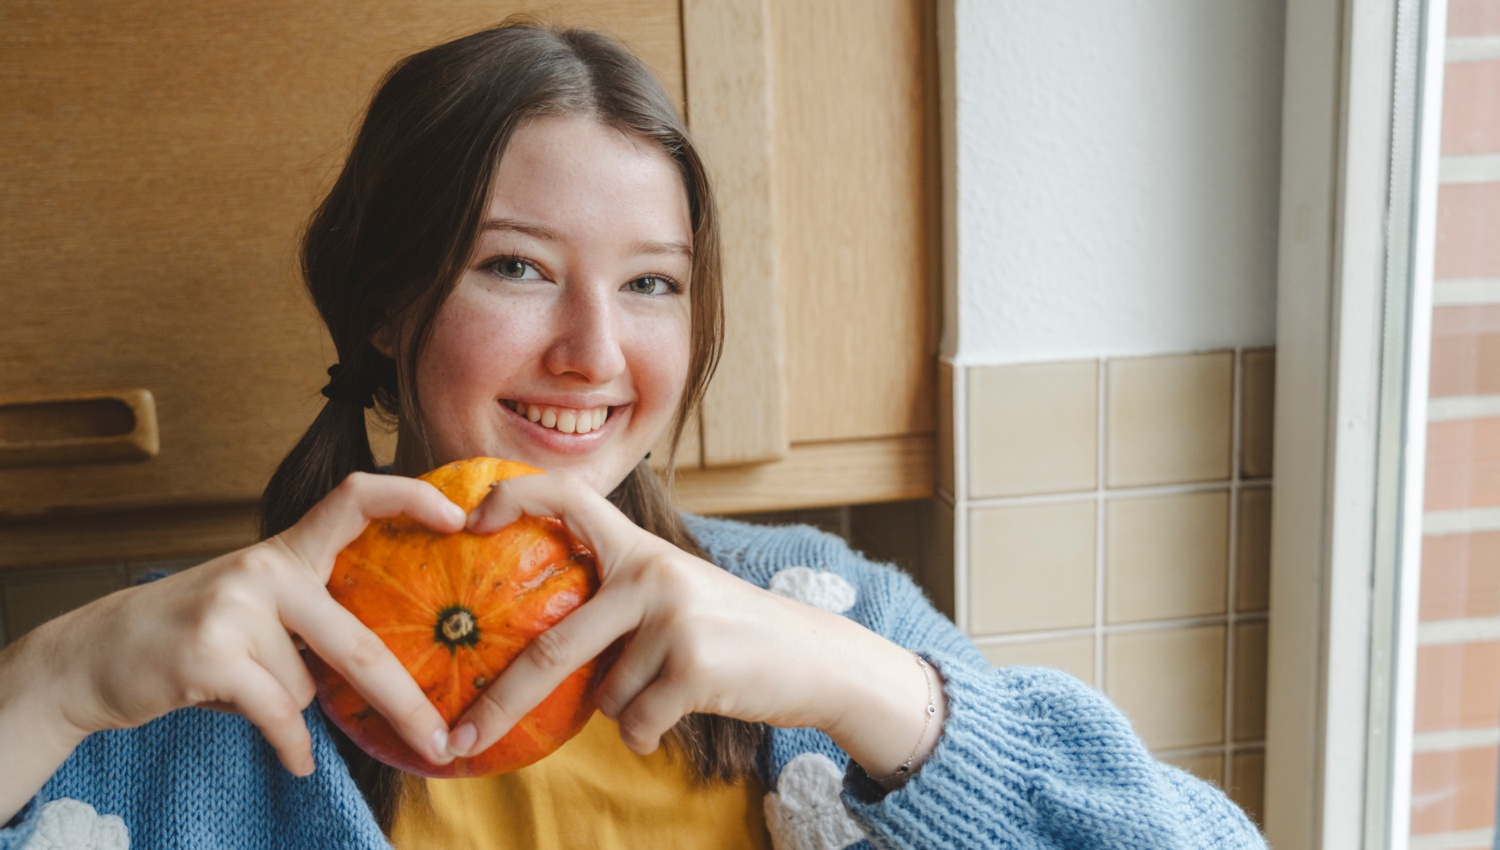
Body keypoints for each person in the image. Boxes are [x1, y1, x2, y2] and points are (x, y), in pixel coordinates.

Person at [0, 20, 1267, 850]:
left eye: (652, 284)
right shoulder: (191, 685)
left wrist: (869, 689)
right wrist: (49, 684)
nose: (594, 353)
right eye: (515, 266)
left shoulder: (818, 611)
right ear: (390, 305)